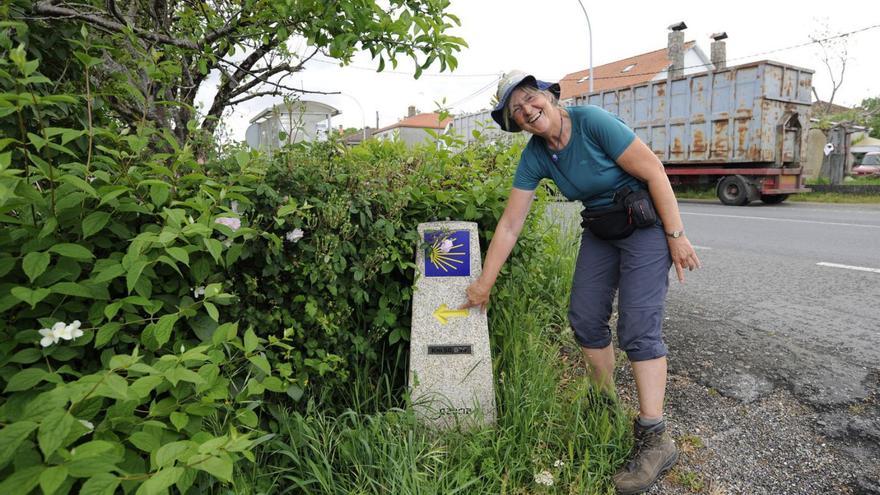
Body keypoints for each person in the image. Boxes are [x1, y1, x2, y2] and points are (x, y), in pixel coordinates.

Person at [461, 70, 701, 494]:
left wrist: (676, 235)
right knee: (585, 318)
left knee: (637, 328)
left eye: (530, 98)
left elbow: (655, 171)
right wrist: (484, 283)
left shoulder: (592, 122)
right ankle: (605, 400)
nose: (527, 110)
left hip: (643, 223)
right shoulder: (535, 156)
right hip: (602, 228)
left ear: (549, 96)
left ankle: (654, 437)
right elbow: (511, 225)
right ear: (516, 124)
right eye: (516, 111)